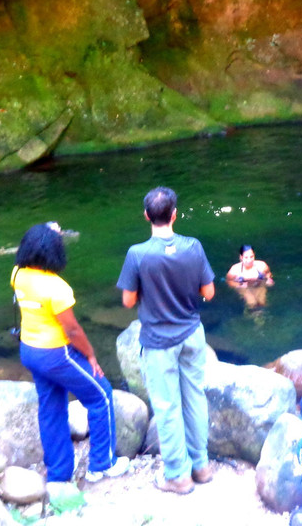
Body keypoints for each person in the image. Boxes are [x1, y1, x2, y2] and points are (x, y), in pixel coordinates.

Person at [11, 222, 129, 485]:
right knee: (101, 396)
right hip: (57, 354)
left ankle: (59, 473)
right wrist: (90, 356)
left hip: (29, 350)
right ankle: (102, 464)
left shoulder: (18, 274)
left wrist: (48, 229)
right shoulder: (57, 288)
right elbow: (73, 331)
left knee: (51, 408)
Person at [117, 186, 216, 495]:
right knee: (194, 398)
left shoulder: (138, 254)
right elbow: (209, 293)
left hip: (159, 341)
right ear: (175, 214)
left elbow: (128, 301)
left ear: (147, 216)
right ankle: (201, 466)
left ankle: (177, 475)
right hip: (192, 334)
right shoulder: (194, 247)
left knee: (167, 406)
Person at [226, 244, 273, 309]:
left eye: (251, 257)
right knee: (252, 304)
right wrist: (238, 285)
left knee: (262, 303)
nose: (249, 260)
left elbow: (268, 274)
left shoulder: (261, 266)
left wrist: (268, 279)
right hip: (245, 288)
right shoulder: (235, 270)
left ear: (254, 255)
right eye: (246, 257)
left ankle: (262, 317)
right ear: (241, 257)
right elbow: (229, 281)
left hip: (259, 285)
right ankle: (251, 315)